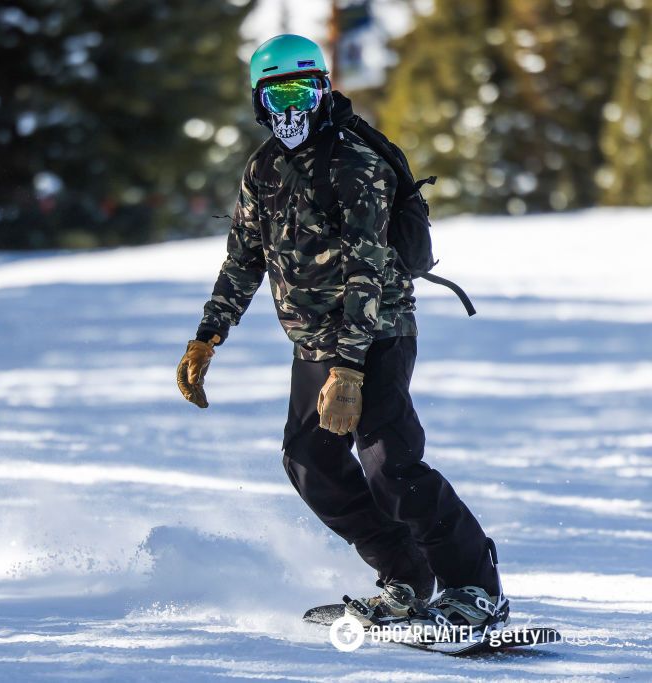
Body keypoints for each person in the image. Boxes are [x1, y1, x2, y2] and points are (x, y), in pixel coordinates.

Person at [175, 34, 508, 631]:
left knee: (390, 466)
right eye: (279, 95)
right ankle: (405, 576)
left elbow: (367, 270)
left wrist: (350, 369)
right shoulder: (265, 168)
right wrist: (208, 336)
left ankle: (474, 588)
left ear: (326, 90)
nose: (293, 107)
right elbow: (243, 258)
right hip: (315, 344)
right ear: (259, 102)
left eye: (305, 89)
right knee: (310, 463)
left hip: (376, 334)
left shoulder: (354, 163)